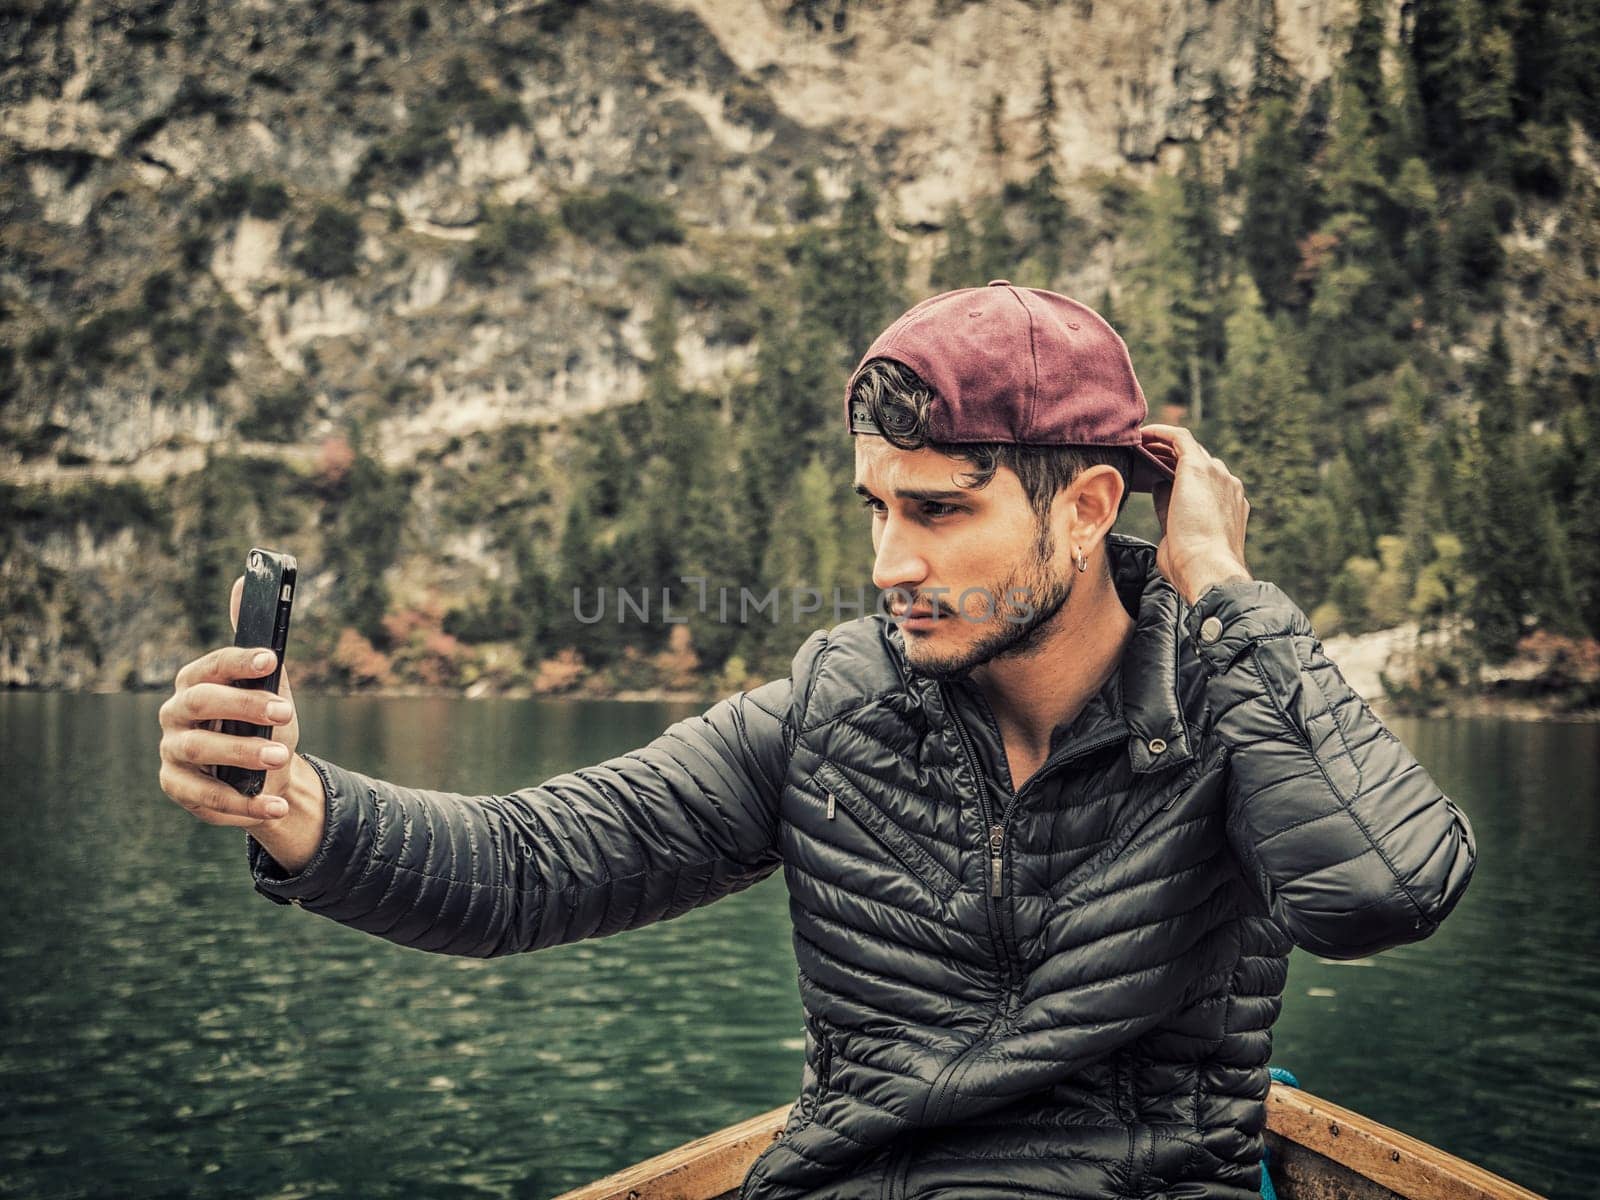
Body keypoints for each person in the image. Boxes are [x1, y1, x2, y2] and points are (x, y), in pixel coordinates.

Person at [157, 281, 1477, 1200]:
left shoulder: (1233, 701)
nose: (891, 561)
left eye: (941, 512)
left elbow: (1386, 892)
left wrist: (1224, 588)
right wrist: (292, 802)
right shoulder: (835, 706)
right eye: (874, 510)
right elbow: (529, 865)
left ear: (1085, 509)